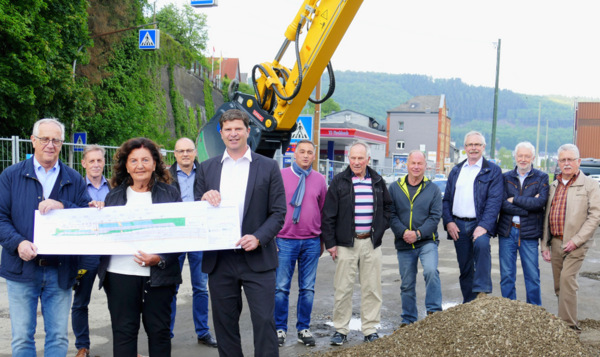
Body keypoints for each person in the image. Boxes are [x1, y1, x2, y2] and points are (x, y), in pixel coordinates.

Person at [0, 118, 97, 356]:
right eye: (44, 139)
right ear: (33, 141)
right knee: (22, 338)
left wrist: (63, 204)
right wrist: (18, 243)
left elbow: (85, 217)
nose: (50, 145)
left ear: (61, 143)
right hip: (21, 269)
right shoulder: (11, 176)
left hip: (60, 270)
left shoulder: (73, 178)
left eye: (56, 140)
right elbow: (1, 217)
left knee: (57, 337)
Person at [197, 109, 286, 356]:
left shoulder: (268, 167)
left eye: (238, 129)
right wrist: (204, 198)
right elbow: (196, 208)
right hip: (221, 260)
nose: (233, 134)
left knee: (264, 322)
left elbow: (279, 212)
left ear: (248, 131)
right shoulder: (207, 169)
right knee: (224, 325)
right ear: (221, 133)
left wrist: (258, 237)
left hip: (258, 258)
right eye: (228, 129)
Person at [97, 137, 183, 356]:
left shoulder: (170, 194)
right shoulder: (112, 197)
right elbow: (103, 235)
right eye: (133, 160)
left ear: (155, 163)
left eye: (145, 160)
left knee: (160, 333)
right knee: (123, 333)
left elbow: (182, 235)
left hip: (159, 276)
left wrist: (160, 258)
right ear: (126, 165)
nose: (140, 165)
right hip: (120, 275)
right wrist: (95, 216)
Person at [322, 141, 392, 345]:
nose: (356, 162)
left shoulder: (378, 181)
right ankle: (341, 330)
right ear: (348, 159)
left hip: (370, 243)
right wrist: (331, 243)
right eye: (353, 158)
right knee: (343, 289)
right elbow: (328, 215)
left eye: (361, 158)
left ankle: (370, 329)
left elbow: (388, 208)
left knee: (372, 289)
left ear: (368, 159)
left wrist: (379, 229)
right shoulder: (339, 182)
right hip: (345, 245)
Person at [541, 144, 600, 331]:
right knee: (559, 285)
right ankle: (564, 319)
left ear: (578, 162)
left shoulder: (590, 185)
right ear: (558, 162)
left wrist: (577, 240)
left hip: (576, 243)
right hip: (556, 241)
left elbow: (595, 216)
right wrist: (544, 244)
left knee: (567, 280)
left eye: (570, 160)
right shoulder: (553, 185)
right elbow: (546, 216)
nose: (566, 163)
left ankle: (569, 327)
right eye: (563, 160)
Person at [275, 140, 327, 347]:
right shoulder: (281, 175)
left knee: (307, 288)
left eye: (309, 153)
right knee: (280, 288)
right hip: (285, 240)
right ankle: (279, 329)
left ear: (314, 156)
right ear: (293, 155)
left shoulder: (320, 180)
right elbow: (271, 206)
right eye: (302, 152)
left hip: (311, 241)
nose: (305, 156)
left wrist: (323, 240)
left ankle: (303, 329)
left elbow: (323, 210)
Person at [442, 131, 503, 303]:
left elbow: (494, 201)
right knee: (465, 267)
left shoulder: (493, 171)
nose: (473, 148)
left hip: (480, 223)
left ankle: (482, 290)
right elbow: (446, 199)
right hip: (458, 225)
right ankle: (469, 303)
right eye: (470, 145)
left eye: (477, 145)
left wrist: (483, 226)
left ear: (483, 147)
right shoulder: (456, 171)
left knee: (482, 246)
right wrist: (449, 222)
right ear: (465, 148)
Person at [168, 137, 217, 347]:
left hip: (199, 235)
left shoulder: (206, 172)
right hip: (175, 237)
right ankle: (166, 333)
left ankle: (203, 332)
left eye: (189, 150)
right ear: (175, 154)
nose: (185, 154)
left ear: (195, 152)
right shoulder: (165, 176)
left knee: (200, 287)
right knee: (170, 287)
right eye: (181, 151)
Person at [388, 150, 442, 326]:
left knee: (431, 271)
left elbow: (435, 217)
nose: (416, 167)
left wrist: (418, 234)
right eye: (413, 163)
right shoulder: (395, 188)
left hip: (426, 241)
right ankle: (409, 319)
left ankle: (434, 314)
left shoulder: (433, 189)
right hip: (403, 242)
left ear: (426, 166)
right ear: (407, 165)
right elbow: (391, 214)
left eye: (420, 163)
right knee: (407, 283)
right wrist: (403, 232)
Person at [496, 142, 549, 306]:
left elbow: (540, 203)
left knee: (532, 275)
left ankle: (534, 311)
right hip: (507, 231)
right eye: (520, 155)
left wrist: (516, 200)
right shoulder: (505, 178)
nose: (523, 159)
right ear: (515, 156)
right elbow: (502, 204)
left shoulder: (542, 177)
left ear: (533, 158)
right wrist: (528, 207)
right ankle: (509, 310)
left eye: (527, 156)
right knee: (506, 274)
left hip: (529, 233)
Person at [73, 145, 111, 357]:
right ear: (84, 164)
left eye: (99, 160)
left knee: (120, 302)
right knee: (80, 302)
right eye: (92, 161)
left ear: (103, 163)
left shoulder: (114, 187)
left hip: (109, 252)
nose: (96, 164)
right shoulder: (75, 187)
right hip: (85, 252)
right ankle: (82, 347)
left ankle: (125, 347)